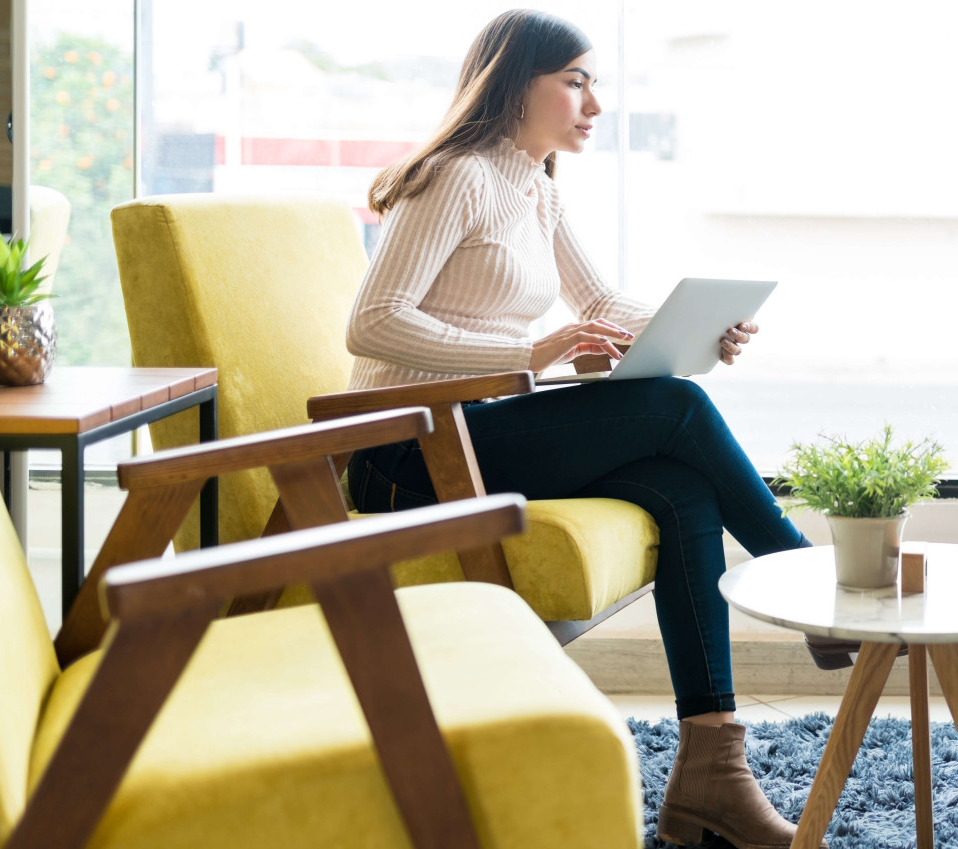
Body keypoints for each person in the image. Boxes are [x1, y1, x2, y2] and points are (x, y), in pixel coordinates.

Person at [345, 11, 810, 849]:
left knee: (682, 484)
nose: (594, 103)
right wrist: (530, 348)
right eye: (575, 81)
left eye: (595, 83)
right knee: (678, 409)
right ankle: (802, 576)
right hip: (402, 454)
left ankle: (713, 771)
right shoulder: (453, 176)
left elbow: (598, 307)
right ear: (512, 83)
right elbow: (374, 323)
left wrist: (702, 327)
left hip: (472, 433)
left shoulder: (535, 184)